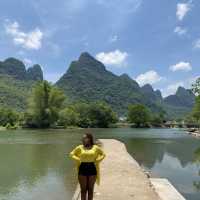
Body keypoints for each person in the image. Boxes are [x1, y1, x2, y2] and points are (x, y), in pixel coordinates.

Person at [69, 133, 106, 200]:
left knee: (90, 190)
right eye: (83, 138)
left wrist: (98, 160)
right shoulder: (79, 147)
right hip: (82, 168)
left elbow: (103, 154)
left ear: (89, 139)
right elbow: (71, 154)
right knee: (83, 190)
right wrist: (78, 159)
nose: (83, 139)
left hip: (92, 168)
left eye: (85, 138)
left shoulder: (96, 147)